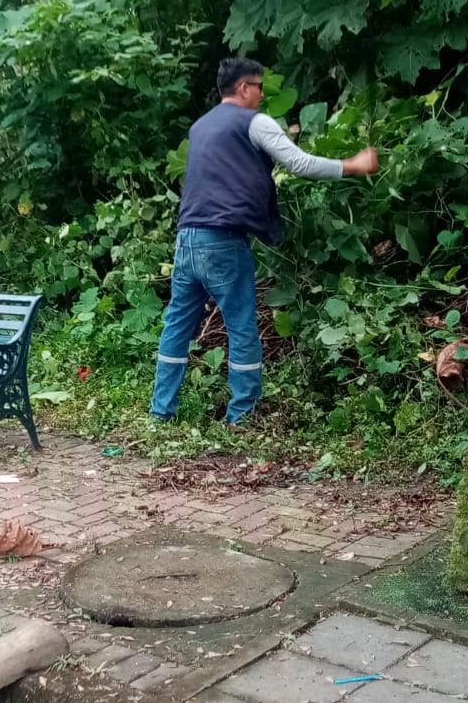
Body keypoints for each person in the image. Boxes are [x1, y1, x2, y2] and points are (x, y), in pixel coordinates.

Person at [150, 57, 378, 427]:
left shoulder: (200, 126)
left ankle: (160, 414)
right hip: (224, 241)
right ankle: (241, 417)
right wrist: (353, 165)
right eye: (258, 86)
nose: (261, 94)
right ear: (243, 88)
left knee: (176, 326)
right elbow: (299, 164)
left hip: (186, 238)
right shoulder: (254, 122)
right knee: (241, 327)